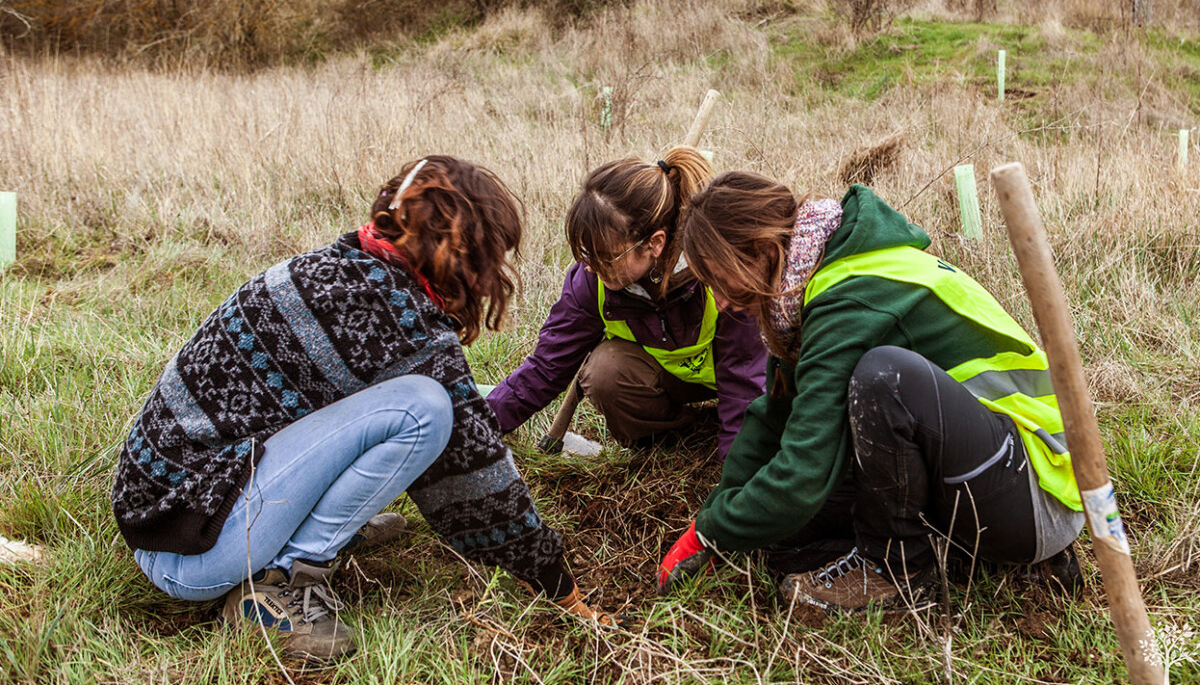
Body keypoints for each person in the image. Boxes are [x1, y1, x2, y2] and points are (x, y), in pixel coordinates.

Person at [112, 156, 617, 661]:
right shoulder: (400, 323)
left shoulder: (335, 268)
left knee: (393, 404)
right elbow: (481, 475)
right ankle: (282, 578)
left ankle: (312, 533)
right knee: (424, 409)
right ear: (466, 257)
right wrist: (555, 581)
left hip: (168, 514)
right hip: (193, 548)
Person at [655, 173, 1085, 612]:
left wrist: (713, 532)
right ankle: (953, 556)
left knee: (883, 379)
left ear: (764, 252)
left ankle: (896, 572)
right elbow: (775, 419)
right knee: (781, 537)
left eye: (724, 282)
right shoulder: (807, 285)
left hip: (1034, 490)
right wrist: (712, 521)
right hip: (977, 477)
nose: (722, 302)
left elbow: (805, 470)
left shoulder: (850, 294)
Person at [486, 147, 766, 459]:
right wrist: (475, 431)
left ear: (655, 243)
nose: (590, 266)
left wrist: (734, 482)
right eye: (585, 252)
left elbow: (744, 386)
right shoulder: (591, 280)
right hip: (674, 381)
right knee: (606, 372)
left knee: (762, 415)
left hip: (753, 377)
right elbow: (544, 368)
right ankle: (684, 437)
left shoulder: (715, 271)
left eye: (605, 256)